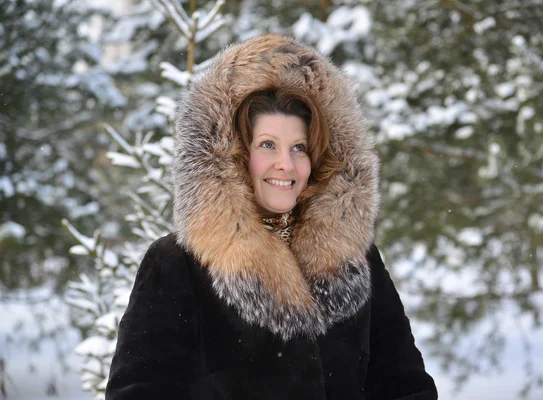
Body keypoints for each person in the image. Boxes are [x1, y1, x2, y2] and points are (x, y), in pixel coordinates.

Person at [106, 34, 437, 400]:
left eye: (299, 147)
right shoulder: (176, 262)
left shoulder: (356, 256)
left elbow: (404, 385)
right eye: (267, 145)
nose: (286, 163)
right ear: (232, 156)